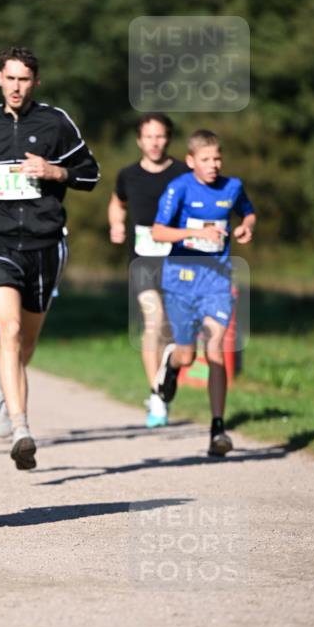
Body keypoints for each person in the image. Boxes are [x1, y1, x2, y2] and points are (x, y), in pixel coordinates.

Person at [0, 47, 99, 470]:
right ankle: (20, 428)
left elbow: (91, 173)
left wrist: (55, 172)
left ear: (35, 82)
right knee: (10, 327)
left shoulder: (55, 122)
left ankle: (5, 384)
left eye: (24, 79)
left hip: (45, 242)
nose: (16, 86)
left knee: (27, 340)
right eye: (10, 78)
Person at [151, 129, 256, 456]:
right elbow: (158, 231)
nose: (214, 165)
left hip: (217, 282)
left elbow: (248, 212)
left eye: (217, 158)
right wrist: (196, 232)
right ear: (191, 161)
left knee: (214, 350)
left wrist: (245, 227)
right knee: (188, 355)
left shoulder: (232, 186)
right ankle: (172, 362)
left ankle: (217, 429)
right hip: (180, 281)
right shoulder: (178, 188)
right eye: (206, 159)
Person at [108, 113, 188, 427]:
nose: (154, 143)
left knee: (175, 332)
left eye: (160, 137)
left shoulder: (184, 172)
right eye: (149, 137)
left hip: (179, 259)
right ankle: (156, 394)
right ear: (140, 141)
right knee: (153, 323)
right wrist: (116, 223)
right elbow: (118, 202)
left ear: (168, 139)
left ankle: (167, 374)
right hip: (143, 260)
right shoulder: (128, 174)